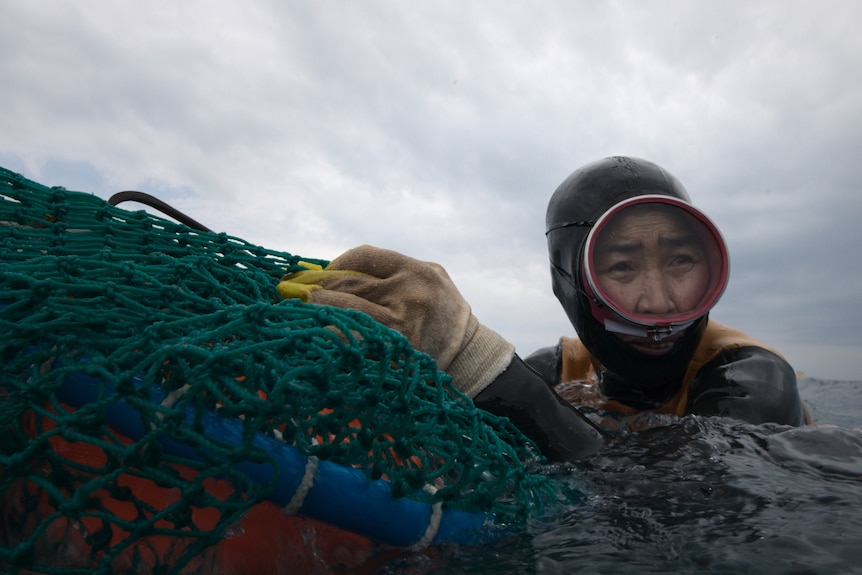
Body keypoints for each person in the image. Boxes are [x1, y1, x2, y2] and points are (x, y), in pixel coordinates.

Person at [278, 156, 811, 462]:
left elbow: (675, 506)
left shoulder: (754, 378)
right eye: (622, 268)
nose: (661, 301)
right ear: (569, 284)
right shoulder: (558, 369)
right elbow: (466, 440)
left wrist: (481, 365)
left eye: (680, 261)